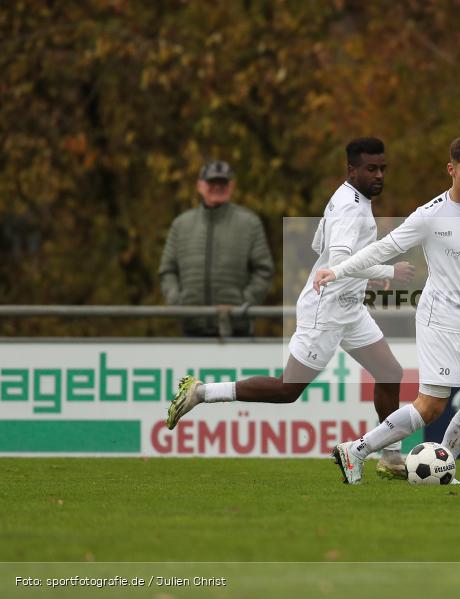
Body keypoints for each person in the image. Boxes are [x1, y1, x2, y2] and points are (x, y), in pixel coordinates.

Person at [167, 139, 416, 478]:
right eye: (371, 168)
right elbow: (340, 259)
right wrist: (388, 271)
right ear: (352, 170)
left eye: (382, 168)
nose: (379, 175)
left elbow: (321, 248)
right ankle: (202, 392)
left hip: (349, 306)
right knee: (288, 390)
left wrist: (359, 280)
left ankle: (390, 459)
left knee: (389, 372)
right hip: (325, 310)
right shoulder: (349, 207)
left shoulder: (349, 198)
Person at [314, 134, 460, 485]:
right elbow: (382, 249)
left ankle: (442, 466)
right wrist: (338, 270)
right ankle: (356, 450)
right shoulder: (430, 214)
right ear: (451, 169)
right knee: (431, 405)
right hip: (438, 315)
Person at [159, 160, 274, 337]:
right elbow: (167, 270)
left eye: (223, 182)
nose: (217, 187)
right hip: (192, 328)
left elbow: (264, 270)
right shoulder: (181, 225)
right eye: (212, 182)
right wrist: (177, 301)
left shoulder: (249, 223)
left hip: (237, 330)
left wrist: (244, 302)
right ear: (200, 186)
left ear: (232, 186)